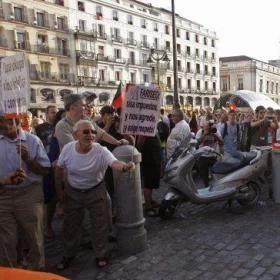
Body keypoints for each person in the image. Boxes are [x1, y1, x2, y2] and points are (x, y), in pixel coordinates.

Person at [55, 120, 135, 269]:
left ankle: (101, 254)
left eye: (93, 132)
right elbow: (59, 170)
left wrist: (125, 167)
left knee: (100, 224)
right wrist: (60, 193)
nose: (90, 135)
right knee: (71, 225)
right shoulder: (67, 149)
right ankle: (68, 254)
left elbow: (114, 163)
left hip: (96, 189)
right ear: (76, 134)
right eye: (86, 132)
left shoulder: (100, 150)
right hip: (73, 191)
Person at [0, 115, 51, 269]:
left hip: (29, 194)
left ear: (18, 122)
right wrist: (5, 180)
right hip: (3, 195)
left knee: (34, 238)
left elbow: (45, 170)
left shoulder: (32, 140)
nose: (5, 125)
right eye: (1, 121)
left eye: (9, 121)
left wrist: (28, 159)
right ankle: (10, 273)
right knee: (6, 241)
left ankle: (36, 271)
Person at [136, 134, 161, 217]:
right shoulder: (145, 123)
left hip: (154, 155)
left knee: (152, 180)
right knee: (148, 181)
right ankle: (148, 207)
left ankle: (150, 200)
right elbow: (140, 138)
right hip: (149, 156)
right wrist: (138, 151)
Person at [196, 120, 223, 188]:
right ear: (203, 127)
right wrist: (205, 134)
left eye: (209, 128)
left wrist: (215, 135)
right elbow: (197, 143)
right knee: (204, 176)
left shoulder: (215, 131)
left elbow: (222, 143)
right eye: (206, 128)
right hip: (202, 156)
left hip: (213, 156)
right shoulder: (200, 132)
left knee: (216, 175)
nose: (208, 129)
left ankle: (216, 188)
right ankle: (206, 187)